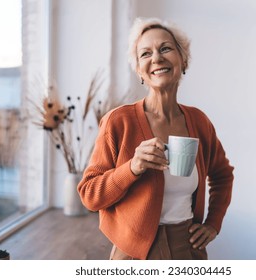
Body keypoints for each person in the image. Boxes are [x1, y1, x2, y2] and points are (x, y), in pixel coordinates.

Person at [77, 17, 234, 260]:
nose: (157, 58)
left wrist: (213, 223)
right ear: (139, 70)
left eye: (166, 48)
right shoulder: (118, 122)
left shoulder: (199, 121)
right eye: (145, 54)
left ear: (183, 60)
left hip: (188, 248)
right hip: (134, 255)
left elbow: (222, 175)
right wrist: (132, 167)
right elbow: (89, 194)